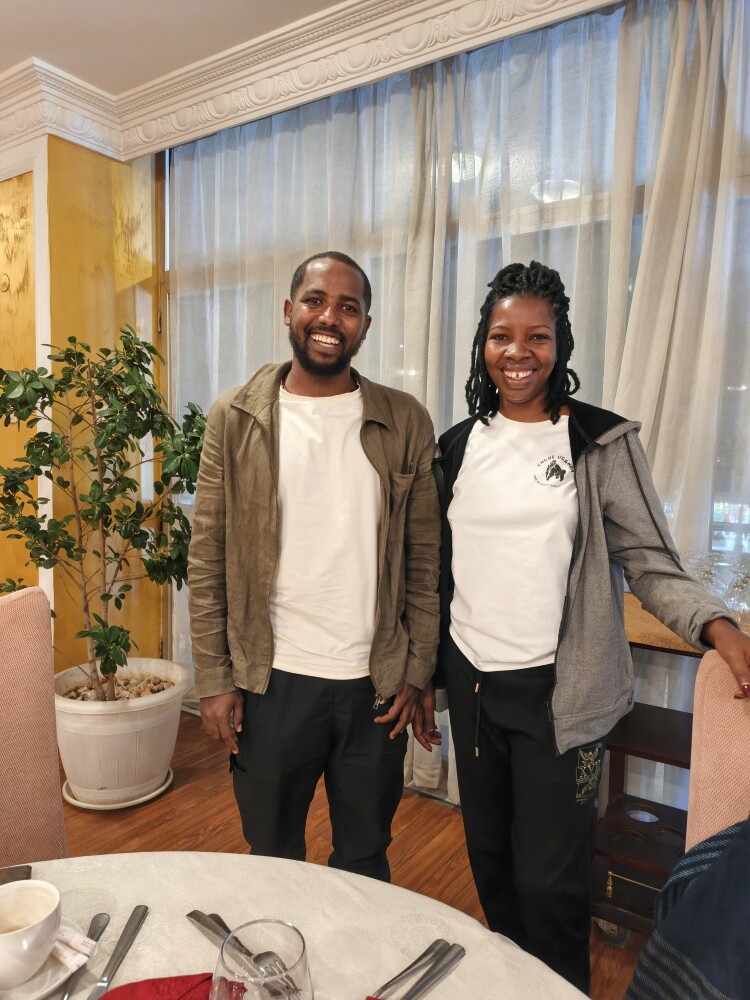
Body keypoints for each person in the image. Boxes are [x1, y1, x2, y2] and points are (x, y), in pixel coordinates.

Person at [412, 261, 750, 992]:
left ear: (560, 343)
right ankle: (511, 982)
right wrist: (424, 679)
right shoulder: (458, 446)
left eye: (537, 336)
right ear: (483, 344)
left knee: (551, 882)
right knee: (492, 863)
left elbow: (649, 560)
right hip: (473, 687)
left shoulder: (598, 442)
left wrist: (718, 627)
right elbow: (435, 573)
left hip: (560, 697)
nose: (518, 352)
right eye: (502, 336)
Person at [188, 250, 441, 882]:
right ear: (289, 310)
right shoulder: (235, 417)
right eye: (316, 301)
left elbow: (425, 560)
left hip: (374, 685)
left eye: (348, 307)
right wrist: (214, 678)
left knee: (364, 856)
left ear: (365, 325)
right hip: (271, 682)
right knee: (273, 857)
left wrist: (418, 671)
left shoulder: (404, 419)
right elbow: (208, 555)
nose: (330, 318)